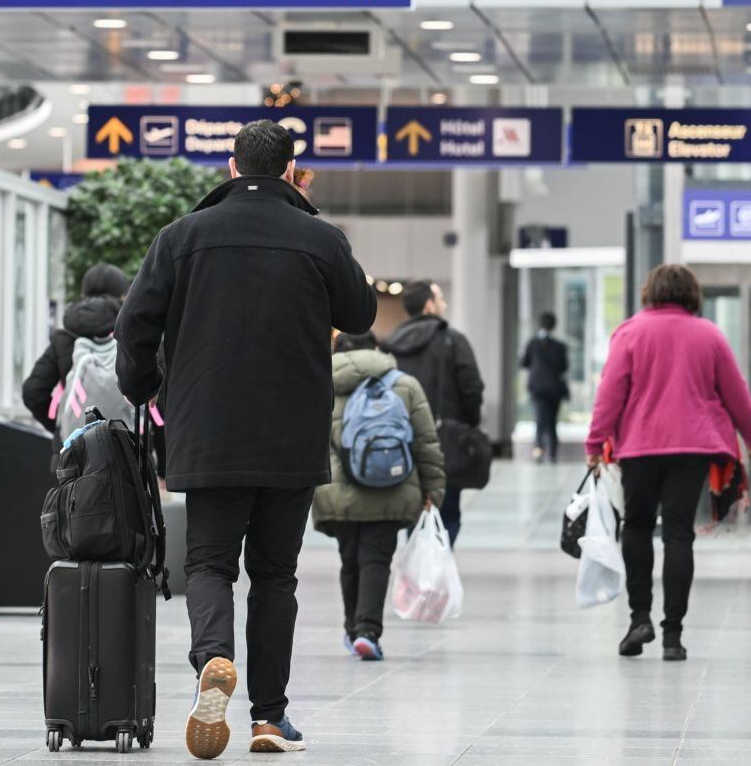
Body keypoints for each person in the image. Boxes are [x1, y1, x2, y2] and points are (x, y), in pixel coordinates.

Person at [114, 120, 377, 758]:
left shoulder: (182, 237)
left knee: (208, 563)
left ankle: (213, 658)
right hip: (292, 434)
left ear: (231, 167)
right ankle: (269, 719)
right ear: (290, 170)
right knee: (275, 575)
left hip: (208, 430)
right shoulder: (320, 238)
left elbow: (134, 324)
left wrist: (145, 386)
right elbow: (361, 314)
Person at [586, 264, 751, 662]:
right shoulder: (709, 335)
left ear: (650, 292)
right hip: (692, 448)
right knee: (679, 533)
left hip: (640, 447)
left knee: (637, 525)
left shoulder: (630, 332)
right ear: (691, 294)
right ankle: (673, 636)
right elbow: (736, 393)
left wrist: (595, 442)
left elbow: (610, 393)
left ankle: (639, 618)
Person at [312, 331, 444, 662]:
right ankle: (367, 631)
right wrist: (433, 490)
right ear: (376, 348)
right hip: (392, 486)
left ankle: (351, 629)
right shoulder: (404, 384)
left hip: (337, 490)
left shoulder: (322, 383)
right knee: (376, 560)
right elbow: (426, 442)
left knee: (349, 559)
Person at [381, 280, 483, 546]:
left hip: (400, 442)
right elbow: (471, 388)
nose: (444, 305)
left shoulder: (390, 344)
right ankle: (438, 563)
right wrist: (469, 424)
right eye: (440, 299)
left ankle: (417, 563)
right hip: (446, 441)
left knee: (412, 510)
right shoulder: (452, 340)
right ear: (429, 305)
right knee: (447, 514)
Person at [21, 263, 130, 459]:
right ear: (123, 296)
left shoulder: (64, 337)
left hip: (73, 452)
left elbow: (33, 391)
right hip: (127, 453)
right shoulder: (133, 335)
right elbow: (159, 399)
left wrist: (63, 424)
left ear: (84, 293)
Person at [520, 312, 569, 463]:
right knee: (552, 421)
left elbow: (524, 363)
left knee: (540, 419)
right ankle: (552, 453)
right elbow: (564, 367)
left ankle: (538, 450)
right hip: (554, 389)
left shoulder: (532, 343)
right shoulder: (560, 346)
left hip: (537, 388)